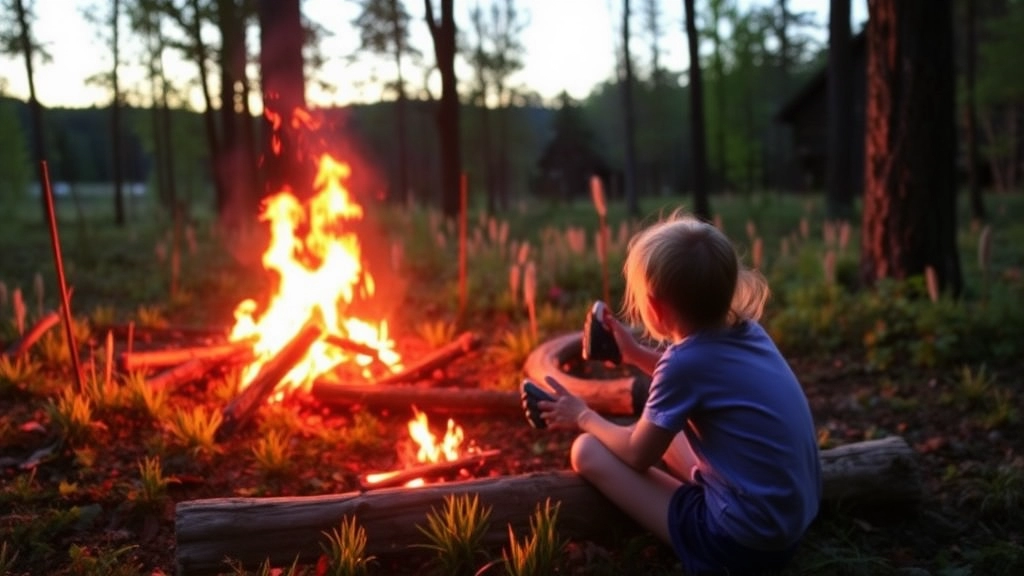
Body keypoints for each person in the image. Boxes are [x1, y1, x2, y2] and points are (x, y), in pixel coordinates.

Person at [537, 212, 821, 575]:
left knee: (586, 450)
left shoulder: (683, 366)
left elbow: (638, 455)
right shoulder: (749, 331)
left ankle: (701, 523)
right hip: (788, 524)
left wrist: (582, 416)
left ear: (654, 307)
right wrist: (636, 356)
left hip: (741, 545)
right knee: (664, 424)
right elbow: (702, 377)